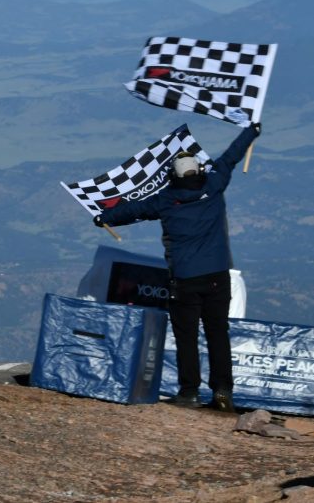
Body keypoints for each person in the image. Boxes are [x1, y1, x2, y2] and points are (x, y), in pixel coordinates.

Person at [94, 122, 261, 412]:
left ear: (174, 175)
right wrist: (252, 131)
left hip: (185, 279)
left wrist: (104, 217)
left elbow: (133, 209)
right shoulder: (215, 184)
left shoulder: (166, 200)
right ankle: (223, 393)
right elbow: (232, 155)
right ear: (198, 170)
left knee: (187, 336)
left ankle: (189, 392)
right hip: (218, 276)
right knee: (217, 334)